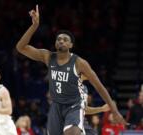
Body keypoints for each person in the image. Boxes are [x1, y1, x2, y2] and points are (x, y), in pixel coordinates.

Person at [16, 5, 126, 135]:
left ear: (70, 45)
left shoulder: (80, 63)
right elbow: (21, 47)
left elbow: (99, 87)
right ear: (56, 43)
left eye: (65, 39)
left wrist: (114, 110)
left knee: (72, 133)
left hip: (74, 106)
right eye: (59, 39)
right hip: (56, 106)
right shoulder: (47, 56)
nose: (61, 41)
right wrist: (34, 26)